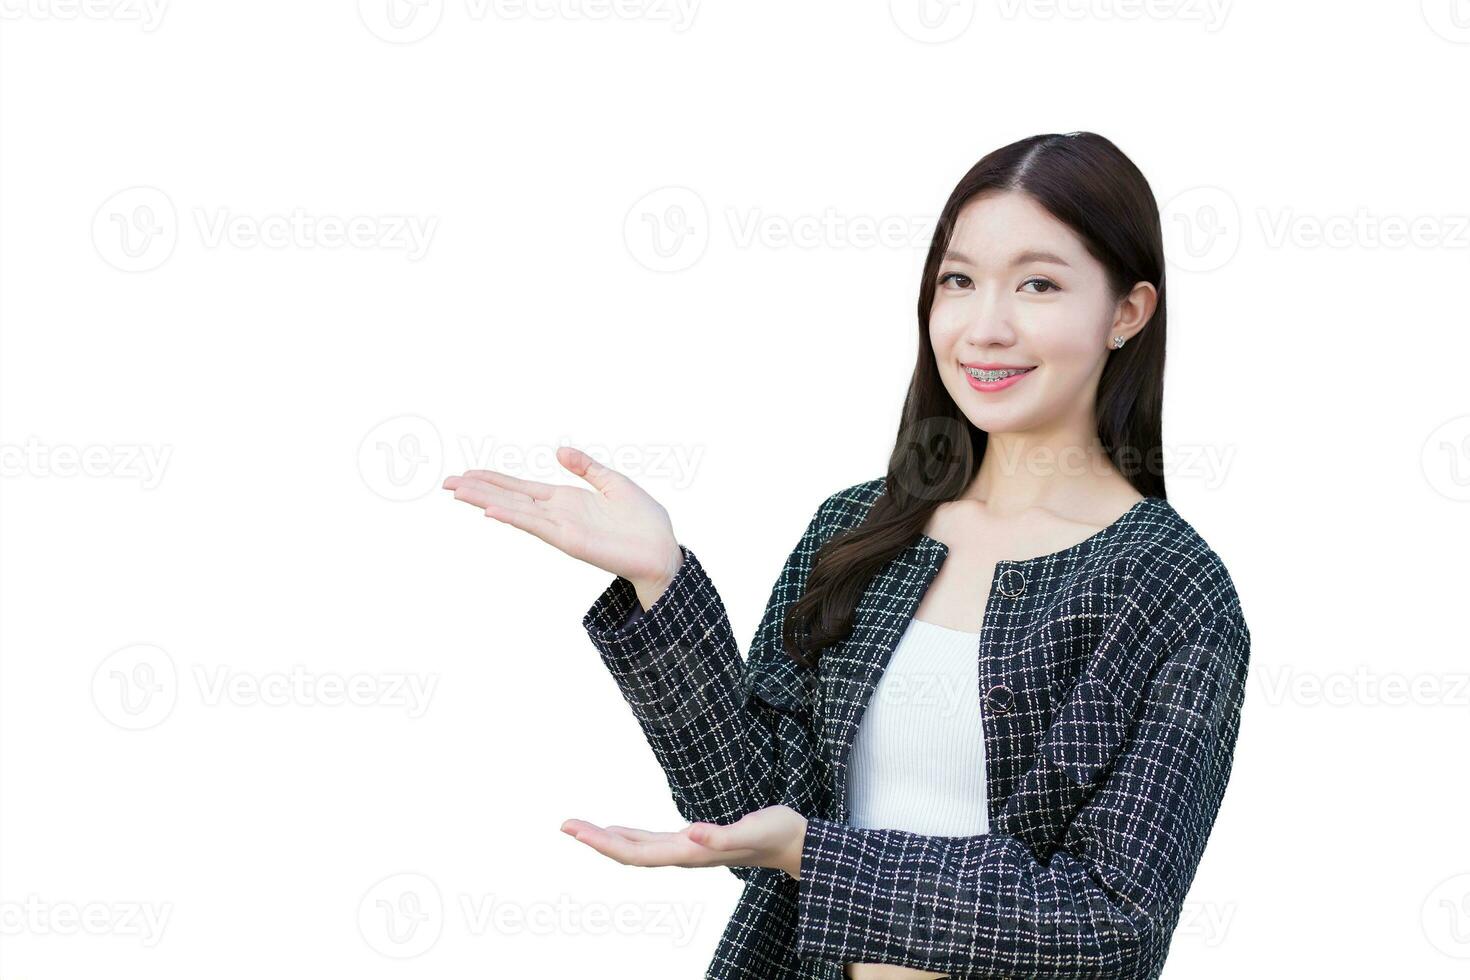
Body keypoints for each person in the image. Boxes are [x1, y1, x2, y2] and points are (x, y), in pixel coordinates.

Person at [442, 131, 1251, 980]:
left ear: (1128, 311)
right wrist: (661, 582)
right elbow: (742, 808)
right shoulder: (861, 527)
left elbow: (1111, 920)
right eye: (959, 281)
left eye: (1038, 284)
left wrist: (815, 858)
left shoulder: (1171, 589)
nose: (985, 327)